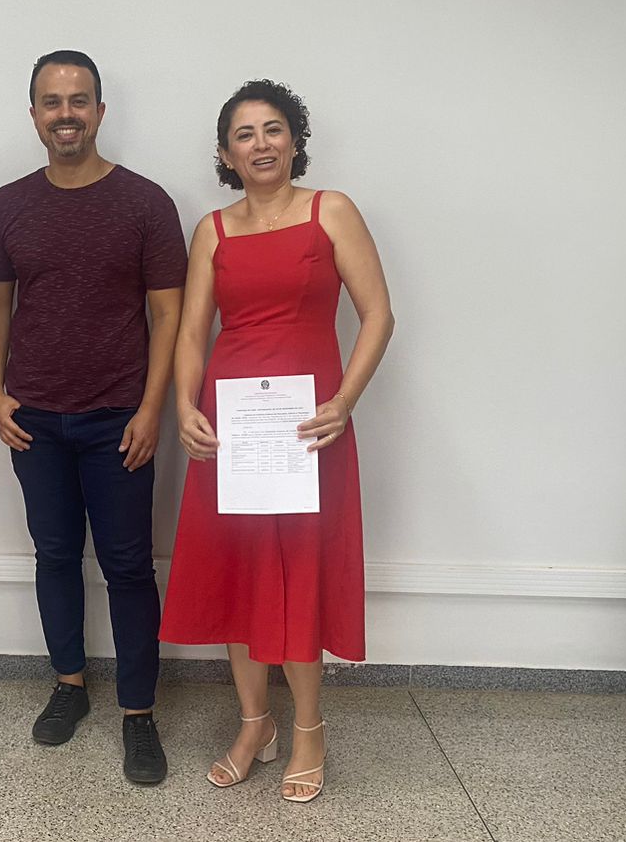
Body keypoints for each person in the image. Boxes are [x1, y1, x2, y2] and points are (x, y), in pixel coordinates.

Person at [159, 80, 394, 803]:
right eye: (244, 134)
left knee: (298, 571)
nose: (259, 144)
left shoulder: (332, 212)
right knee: (238, 572)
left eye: (272, 130)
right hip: (231, 426)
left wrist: (345, 402)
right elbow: (193, 331)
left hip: (308, 426)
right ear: (226, 151)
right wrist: (183, 406)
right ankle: (255, 723)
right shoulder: (213, 230)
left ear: (294, 138)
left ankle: (309, 732)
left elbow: (379, 314)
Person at [0, 50, 186, 785]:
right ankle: (69, 684)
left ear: (100, 112)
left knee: (129, 567)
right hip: (33, 417)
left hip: (118, 420)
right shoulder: (7, 205)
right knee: (55, 556)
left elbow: (170, 315)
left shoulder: (146, 204)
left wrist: (153, 407)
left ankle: (138, 710)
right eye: (50, 101)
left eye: (79, 100)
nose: (65, 113)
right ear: (33, 114)